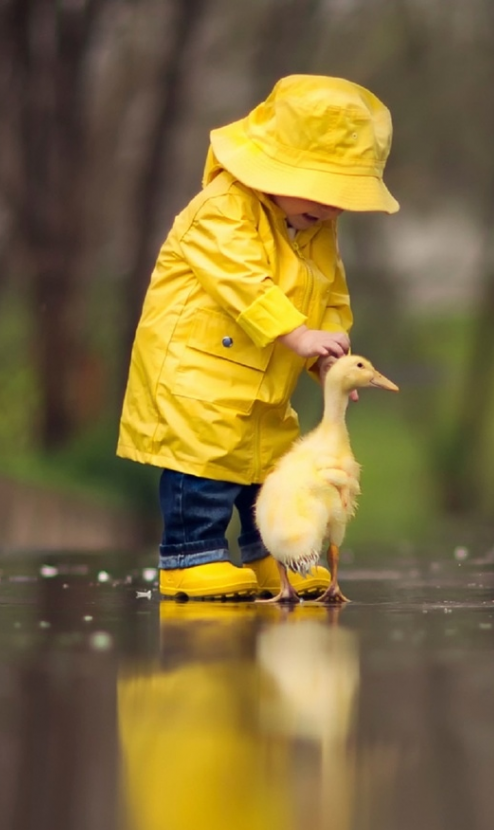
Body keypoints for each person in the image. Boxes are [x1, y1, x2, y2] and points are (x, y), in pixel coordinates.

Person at [117, 75, 398, 600]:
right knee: (203, 466)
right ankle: (188, 557)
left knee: (272, 472)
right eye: (321, 191)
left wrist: (327, 355)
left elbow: (332, 294)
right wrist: (296, 332)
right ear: (272, 166)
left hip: (267, 379)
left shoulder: (314, 229)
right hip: (198, 376)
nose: (331, 209)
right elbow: (243, 280)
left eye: (343, 199)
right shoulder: (221, 209)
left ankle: (276, 556)